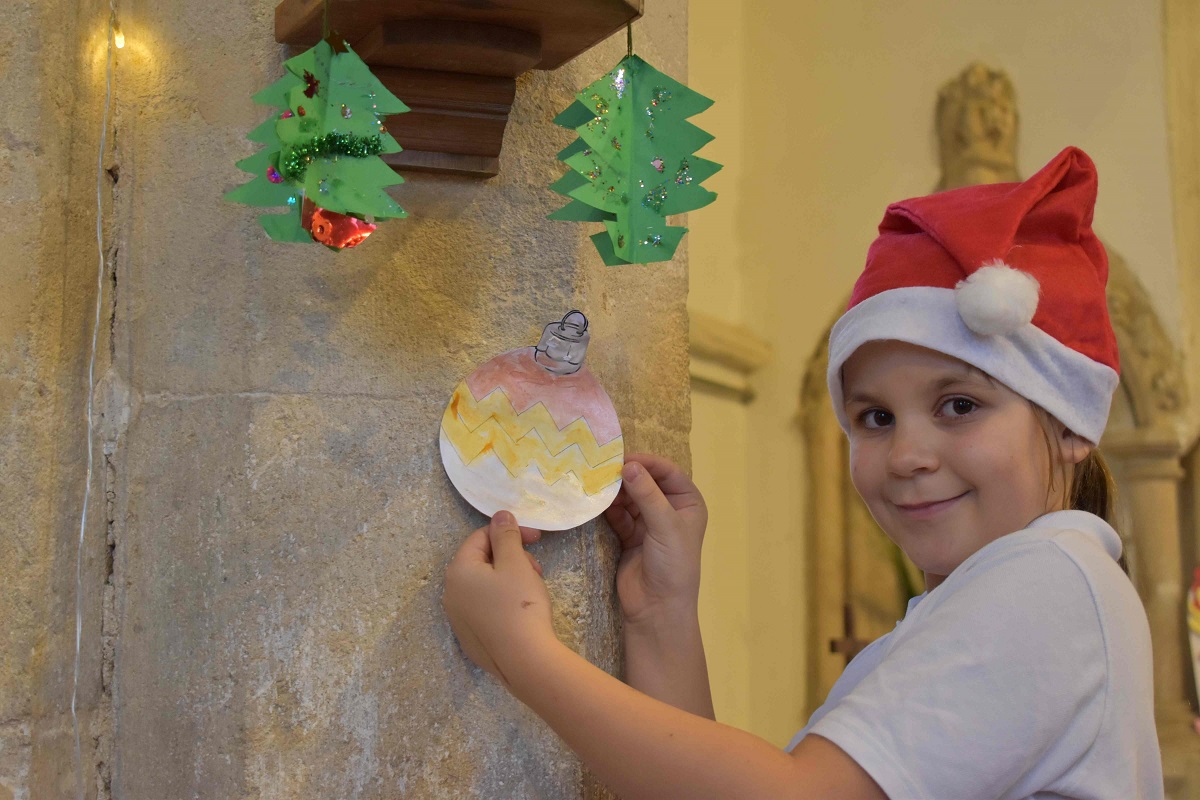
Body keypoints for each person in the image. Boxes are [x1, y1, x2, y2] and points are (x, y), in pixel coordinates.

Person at [441, 146, 1164, 799]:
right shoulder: (987, 605)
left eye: (959, 405)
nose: (908, 454)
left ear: (1070, 424)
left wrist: (521, 653)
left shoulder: (1049, 577)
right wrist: (660, 613)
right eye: (875, 418)